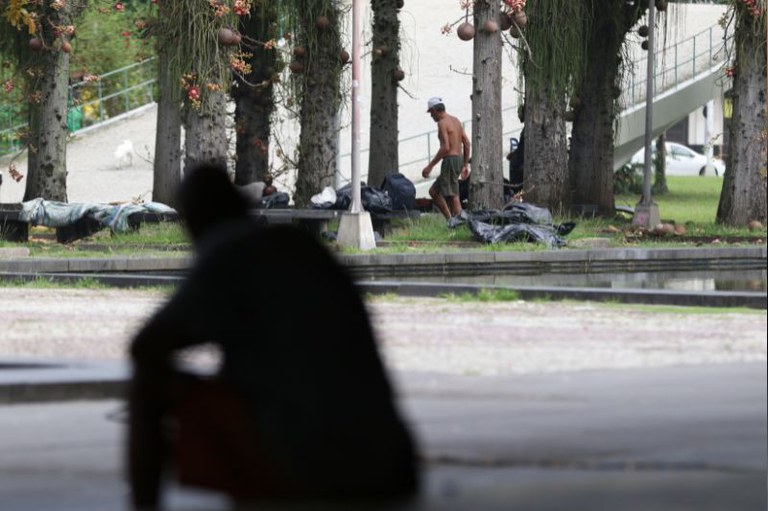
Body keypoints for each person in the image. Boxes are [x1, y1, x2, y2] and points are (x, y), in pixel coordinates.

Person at [127, 163, 419, 510]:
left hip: (306, 461)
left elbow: (146, 345)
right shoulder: (301, 247)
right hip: (389, 462)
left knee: (149, 383)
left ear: (193, 222)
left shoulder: (228, 252)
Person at [421, 97, 471, 226]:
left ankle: (459, 224)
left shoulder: (442, 123)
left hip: (450, 160)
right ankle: (451, 221)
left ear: (434, 110)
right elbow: (467, 143)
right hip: (458, 160)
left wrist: (430, 166)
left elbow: (446, 147)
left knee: (453, 195)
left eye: (431, 113)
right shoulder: (456, 121)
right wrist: (464, 164)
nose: (431, 116)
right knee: (434, 191)